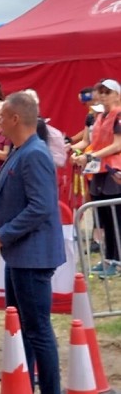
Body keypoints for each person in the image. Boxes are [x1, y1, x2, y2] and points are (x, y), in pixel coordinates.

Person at [0, 91, 65, 394]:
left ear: (16, 119)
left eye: (0, 117)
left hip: (32, 255)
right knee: (21, 327)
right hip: (20, 253)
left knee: (37, 328)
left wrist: (5, 232)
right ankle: (21, 392)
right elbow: (19, 199)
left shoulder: (34, 154)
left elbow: (41, 207)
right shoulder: (20, 151)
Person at [71, 78, 121, 277]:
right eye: (100, 92)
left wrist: (90, 155)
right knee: (104, 217)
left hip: (114, 170)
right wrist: (78, 152)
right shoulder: (98, 117)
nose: (102, 96)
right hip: (99, 170)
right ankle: (109, 257)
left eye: (107, 92)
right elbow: (90, 142)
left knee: (116, 218)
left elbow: (118, 145)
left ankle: (117, 262)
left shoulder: (118, 116)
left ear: (117, 94)